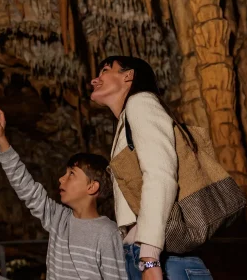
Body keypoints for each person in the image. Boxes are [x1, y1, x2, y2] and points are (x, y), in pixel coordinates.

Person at [90, 56, 212, 280]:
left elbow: (160, 176)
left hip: (163, 260)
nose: (94, 80)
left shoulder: (141, 103)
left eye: (105, 70)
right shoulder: (128, 118)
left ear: (128, 75)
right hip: (145, 255)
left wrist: (149, 258)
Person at [0, 107, 128, 280]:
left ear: (92, 187)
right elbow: (26, 188)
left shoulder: (107, 233)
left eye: (71, 174)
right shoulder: (58, 219)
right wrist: (2, 140)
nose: (61, 179)